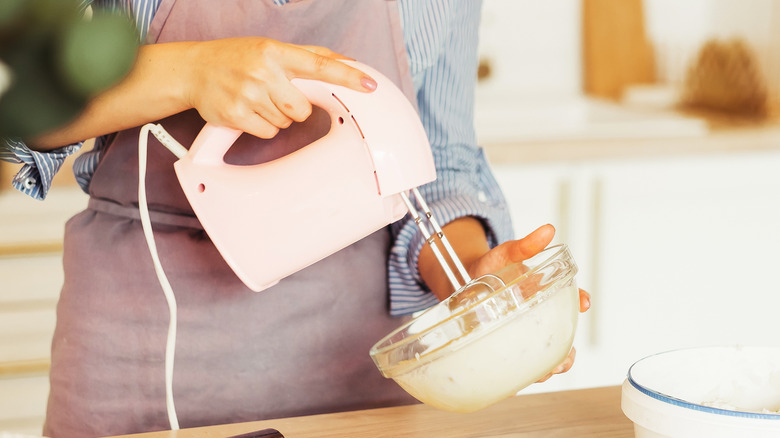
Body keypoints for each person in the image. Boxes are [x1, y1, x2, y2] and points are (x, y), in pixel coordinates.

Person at [1, 1, 591, 437]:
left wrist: (469, 276)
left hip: (352, 365)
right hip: (140, 354)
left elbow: (440, 166)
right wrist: (185, 73)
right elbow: (22, 116)